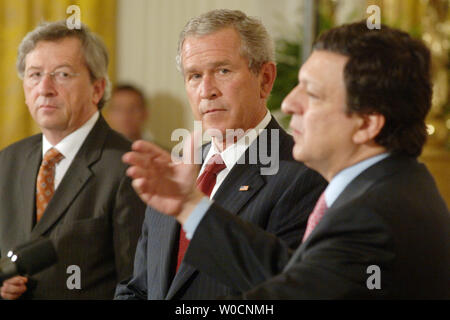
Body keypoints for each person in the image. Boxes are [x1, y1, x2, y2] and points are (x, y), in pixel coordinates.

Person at [121, 21, 450, 299]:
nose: (290, 102)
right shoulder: (388, 190)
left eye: (313, 93)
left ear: (366, 123)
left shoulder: (372, 215)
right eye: (194, 76)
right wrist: (188, 205)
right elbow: (289, 273)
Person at [115, 9, 326, 299]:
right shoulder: (175, 173)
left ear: (265, 79)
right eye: (194, 76)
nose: (206, 90)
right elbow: (139, 288)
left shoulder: (304, 174)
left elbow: (284, 290)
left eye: (223, 71)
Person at [0, 21, 146, 299]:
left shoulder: (129, 166)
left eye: (62, 74)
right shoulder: (8, 160)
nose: (45, 88)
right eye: (34, 74)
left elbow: (137, 284)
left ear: (97, 89)